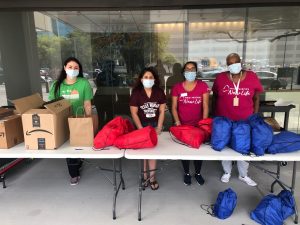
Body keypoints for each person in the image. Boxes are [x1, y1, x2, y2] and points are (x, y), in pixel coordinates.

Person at [212, 53, 264, 186]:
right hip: (225, 119)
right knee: (225, 145)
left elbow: (256, 97)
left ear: (240, 63)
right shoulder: (220, 78)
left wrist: (255, 116)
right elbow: (215, 96)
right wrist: (215, 116)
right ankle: (227, 172)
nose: (233, 65)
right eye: (230, 63)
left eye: (235, 62)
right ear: (227, 65)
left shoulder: (252, 77)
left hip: (245, 121)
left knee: (244, 147)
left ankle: (243, 174)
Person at [49, 57, 93, 186]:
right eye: (70, 67)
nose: (73, 70)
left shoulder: (83, 83)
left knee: (77, 144)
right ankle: (74, 173)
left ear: (79, 70)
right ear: (64, 68)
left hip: (77, 119)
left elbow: (87, 103)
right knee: (68, 147)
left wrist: (88, 119)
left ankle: (78, 161)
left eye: (76, 68)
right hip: (62, 120)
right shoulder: (57, 85)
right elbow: (51, 104)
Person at [171, 61, 210, 186]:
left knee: (199, 150)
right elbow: (173, 107)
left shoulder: (202, 86)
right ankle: (187, 172)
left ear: (196, 71)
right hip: (183, 125)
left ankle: (198, 173)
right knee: (185, 151)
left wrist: (203, 124)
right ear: (183, 72)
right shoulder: (177, 87)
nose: (190, 71)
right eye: (187, 69)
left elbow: (205, 105)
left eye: (192, 69)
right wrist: (177, 123)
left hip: (198, 125)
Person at [129, 67, 166, 190]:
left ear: (154, 79)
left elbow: (161, 111)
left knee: (153, 153)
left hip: (154, 125)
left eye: (151, 77)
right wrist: (140, 128)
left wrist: (159, 127)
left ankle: (152, 177)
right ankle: (144, 176)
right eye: (146, 77)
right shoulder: (136, 93)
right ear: (141, 79)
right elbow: (134, 113)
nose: (148, 79)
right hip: (141, 125)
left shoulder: (159, 92)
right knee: (143, 153)